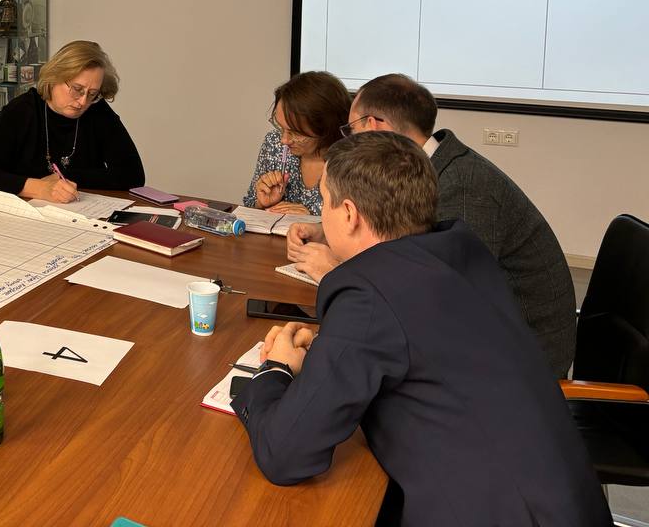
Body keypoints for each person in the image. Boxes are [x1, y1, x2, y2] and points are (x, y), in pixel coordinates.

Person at [233, 132, 609, 527]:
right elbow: (419, 343)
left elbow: (285, 454)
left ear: (349, 214)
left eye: (324, 202)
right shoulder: (460, 251)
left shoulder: (370, 293)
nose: (321, 216)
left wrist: (274, 370)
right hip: (563, 503)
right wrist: (331, 347)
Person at [286, 73, 576, 377]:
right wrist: (330, 232)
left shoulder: (462, 187)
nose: (349, 141)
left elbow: (440, 303)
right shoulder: (427, 169)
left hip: (521, 359)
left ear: (373, 126)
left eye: (352, 130)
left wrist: (338, 272)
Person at [0, 40, 144, 201]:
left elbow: (133, 175)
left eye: (92, 94)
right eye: (77, 89)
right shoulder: (22, 110)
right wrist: (39, 188)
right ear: (54, 77)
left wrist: (66, 177)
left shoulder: (97, 110)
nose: (83, 101)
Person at [242, 71, 349, 215]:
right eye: (280, 127)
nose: (284, 140)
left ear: (326, 128)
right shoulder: (274, 144)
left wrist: (313, 221)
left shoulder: (351, 163)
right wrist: (261, 204)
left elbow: (362, 225)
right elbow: (249, 206)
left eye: (296, 133)